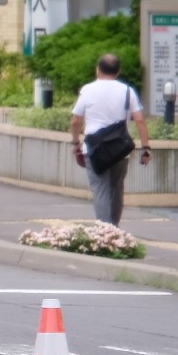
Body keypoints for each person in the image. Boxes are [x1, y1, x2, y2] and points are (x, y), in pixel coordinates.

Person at [69, 53, 151, 226]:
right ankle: (114, 230)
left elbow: (76, 121)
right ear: (118, 71)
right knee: (116, 190)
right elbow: (140, 120)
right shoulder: (128, 91)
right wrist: (146, 148)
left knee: (101, 190)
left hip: (95, 149)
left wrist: (76, 143)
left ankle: (105, 234)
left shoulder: (88, 90)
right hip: (120, 150)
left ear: (97, 69)